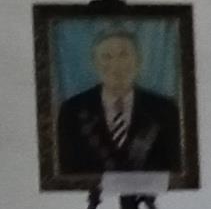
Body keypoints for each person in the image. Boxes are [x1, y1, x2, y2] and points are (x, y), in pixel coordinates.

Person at [54, 19, 183, 179]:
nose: (116, 65)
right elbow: (67, 171)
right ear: (94, 64)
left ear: (138, 61)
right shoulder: (71, 110)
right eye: (106, 57)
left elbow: (174, 170)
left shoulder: (165, 110)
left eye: (124, 55)